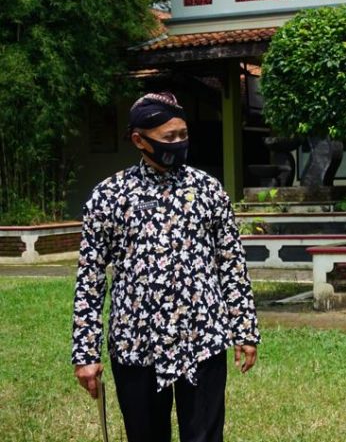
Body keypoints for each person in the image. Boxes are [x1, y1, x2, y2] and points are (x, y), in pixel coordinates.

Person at [72, 92, 260, 442]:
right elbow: (90, 279)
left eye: (183, 135)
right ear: (139, 140)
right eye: (169, 137)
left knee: (203, 436)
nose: (178, 144)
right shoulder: (109, 196)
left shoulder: (208, 191)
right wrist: (85, 352)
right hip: (135, 342)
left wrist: (244, 329)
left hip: (202, 335)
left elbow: (231, 263)